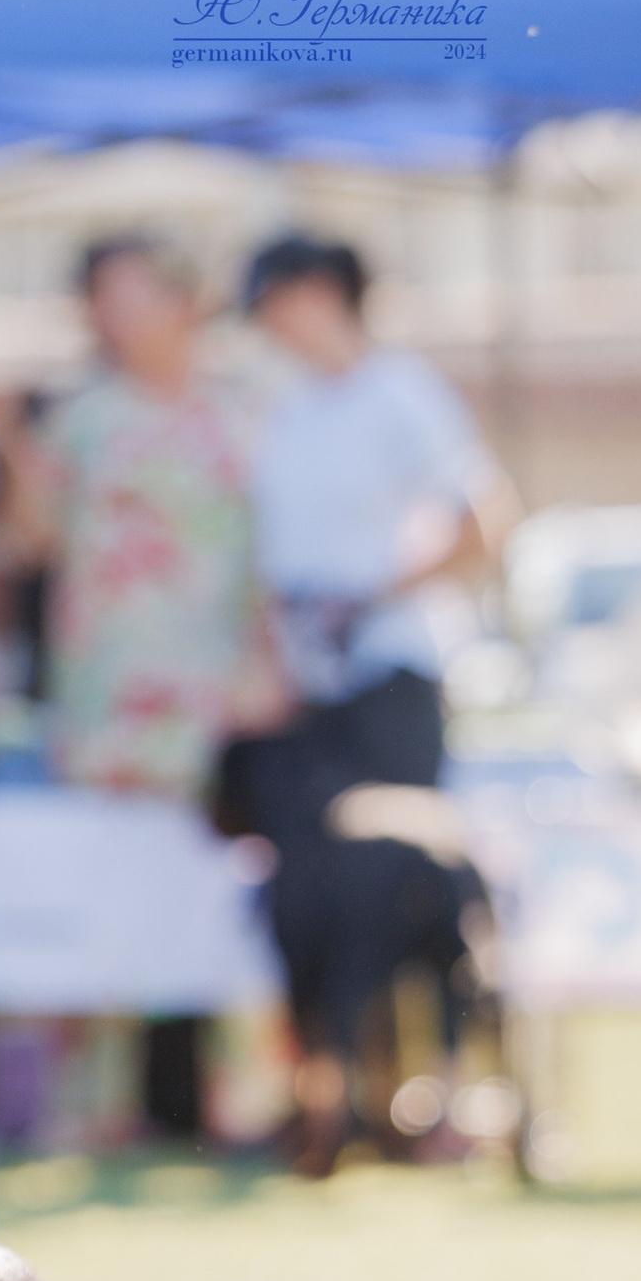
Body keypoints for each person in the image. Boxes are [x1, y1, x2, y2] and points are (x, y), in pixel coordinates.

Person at [225, 232, 506, 1174]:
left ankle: (433, 1103)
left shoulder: (401, 395)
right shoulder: (286, 411)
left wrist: (372, 598)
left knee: (410, 898)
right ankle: (333, 1104)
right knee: (317, 904)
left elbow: (482, 522)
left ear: (316, 292)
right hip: (312, 697)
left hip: (390, 678)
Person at [10, 234, 281, 1141]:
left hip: (221, 694)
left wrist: (270, 666)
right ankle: (94, 1105)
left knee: (220, 894)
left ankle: (236, 1099)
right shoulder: (80, 418)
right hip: (105, 696)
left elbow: (276, 554)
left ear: (185, 300)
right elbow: (27, 541)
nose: (114, 317)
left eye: (130, 295)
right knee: (103, 893)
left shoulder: (251, 412)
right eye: (102, 301)